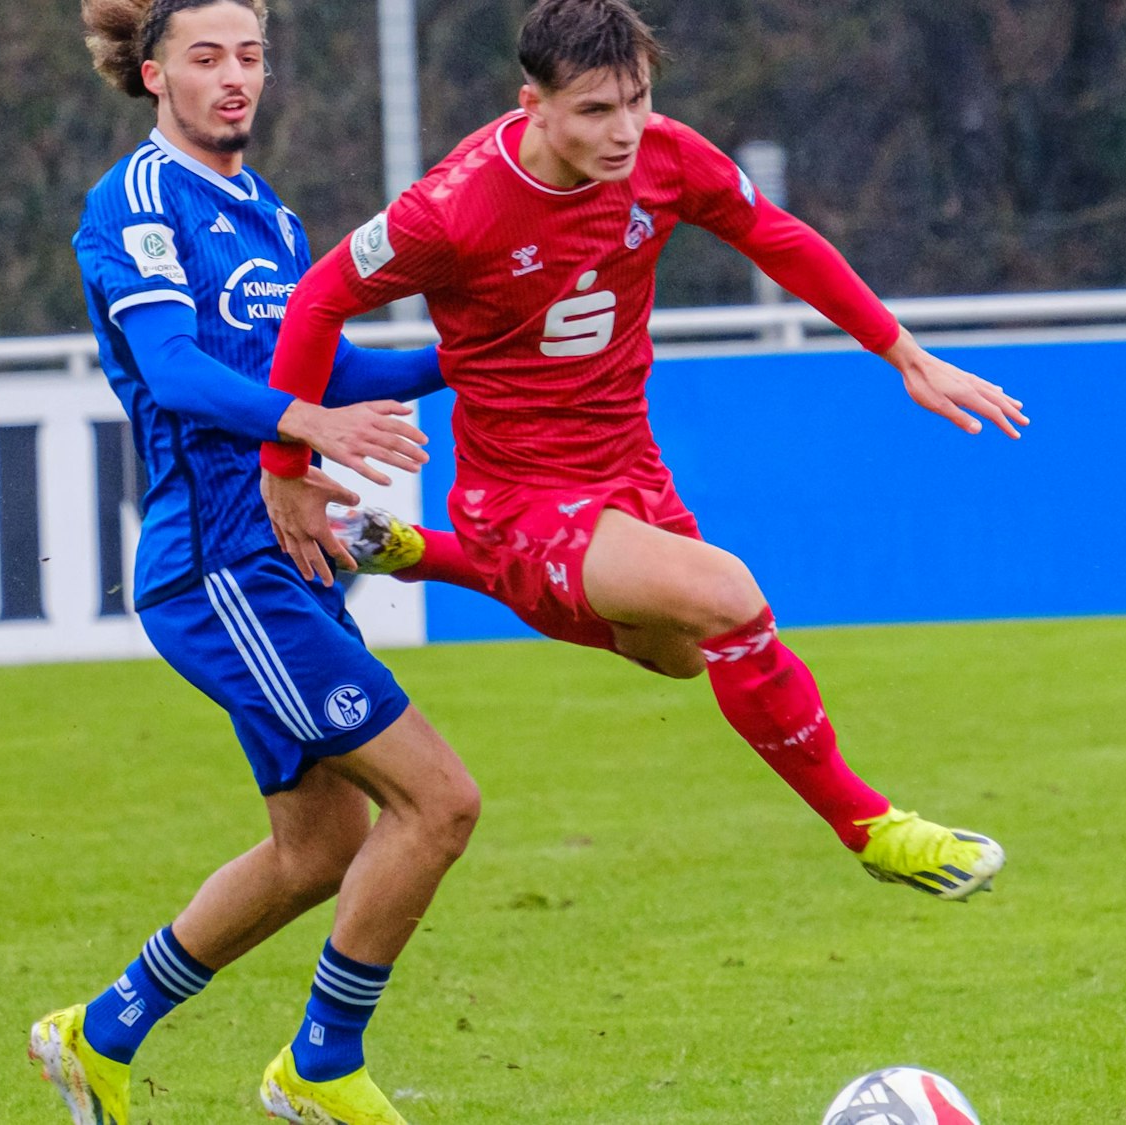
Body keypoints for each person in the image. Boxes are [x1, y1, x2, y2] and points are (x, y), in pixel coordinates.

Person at [263, 0, 1026, 905]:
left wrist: (900, 350)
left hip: (629, 466)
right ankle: (870, 826)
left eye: (636, 99)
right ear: (532, 104)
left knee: (680, 655)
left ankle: (426, 553)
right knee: (728, 595)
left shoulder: (664, 152)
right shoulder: (451, 208)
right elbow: (316, 301)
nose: (624, 130)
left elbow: (773, 237)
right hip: (519, 495)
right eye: (594, 110)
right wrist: (287, 467)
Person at [31, 2, 468, 1123]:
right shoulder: (132, 205)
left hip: (283, 561)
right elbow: (173, 369)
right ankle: (318, 1070)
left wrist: (467, 350)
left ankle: (100, 1032)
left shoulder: (266, 216)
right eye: (207, 57)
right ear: (150, 74)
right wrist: (308, 425)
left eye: (252, 57)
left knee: (320, 846)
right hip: (219, 566)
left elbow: (339, 366)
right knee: (438, 803)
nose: (236, 78)